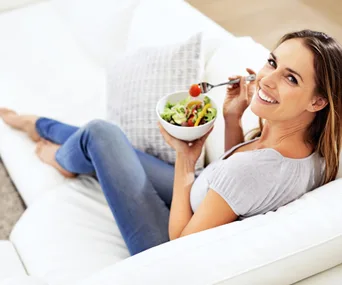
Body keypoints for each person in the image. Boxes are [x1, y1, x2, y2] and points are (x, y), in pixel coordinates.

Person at [0, 30, 341, 256]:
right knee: (103, 139)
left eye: (291, 78)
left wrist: (185, 159)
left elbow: (178, 246)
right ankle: (43, 129)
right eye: (272, 62)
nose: (267, 79)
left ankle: (62, 157)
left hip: (161, 240)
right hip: (199, 194)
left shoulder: (258, 169)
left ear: (317, 102)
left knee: (101, 135)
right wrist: (233, 120)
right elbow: (230, 182)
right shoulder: (310, 151)